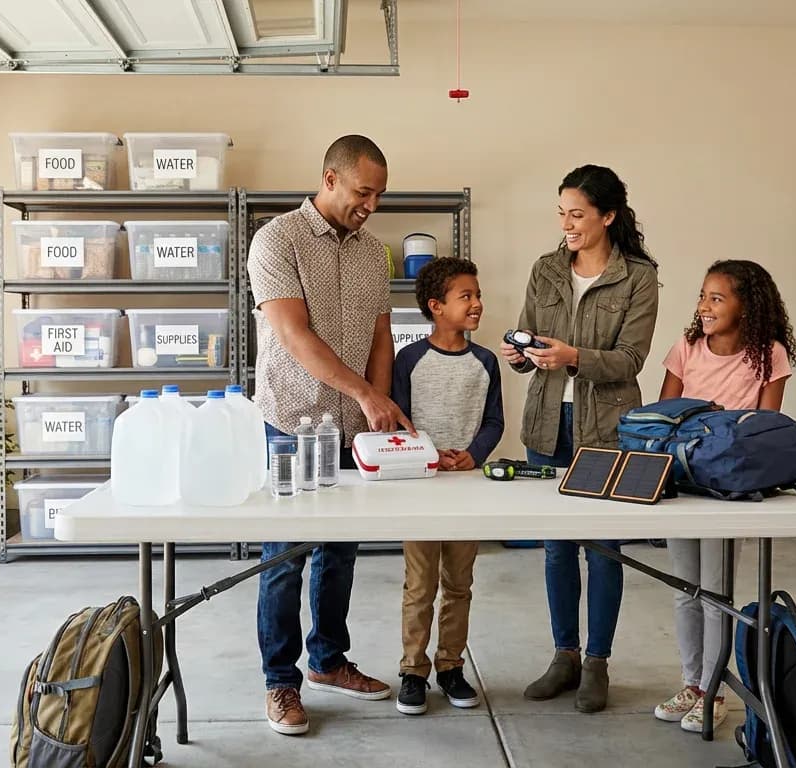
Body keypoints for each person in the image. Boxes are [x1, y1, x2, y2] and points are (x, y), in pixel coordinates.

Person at [247, 134, 415, 736]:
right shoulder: (276, 240)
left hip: (350, 428)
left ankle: (327, 661)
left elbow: (379, 337)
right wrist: (366, 394)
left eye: (379, 195)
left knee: (341, 551)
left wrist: (380, 408)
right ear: (330, 179)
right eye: (363, 191)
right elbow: (294, 336)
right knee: (287, 555)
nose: (371, 204)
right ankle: (280, 681)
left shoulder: (375, 254)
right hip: (291, 419)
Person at [500, 164, 659, 714]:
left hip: (608, 431)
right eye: (561, 213)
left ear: (607, 216)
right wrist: (522, 356)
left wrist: (573, 357)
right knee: (556, 547)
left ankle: (597, 662)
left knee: (603, 547)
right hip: (547, 423)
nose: (566, 225)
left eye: (577, 215)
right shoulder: (545, 270)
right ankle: (564, 656)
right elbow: (528, 350)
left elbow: (632, 360)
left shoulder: (637, 276)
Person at [652, 259, 796, 733]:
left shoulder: (768, 354)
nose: (705, 306)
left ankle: (714, 690)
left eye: (717, 298)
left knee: (715, 594)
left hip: (727, 488)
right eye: (703, 296)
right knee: (683, 592)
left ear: (746, 305)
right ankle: (692, 683)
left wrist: (716, 427)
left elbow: (764, 429)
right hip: (681, 483)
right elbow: (664, 415)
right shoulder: (688, 347)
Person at [389, 257, 504, 716]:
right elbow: (398, 420)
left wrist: (473, 455)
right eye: (466, 296)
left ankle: (451, 667)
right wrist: (428, 456)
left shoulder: (486, 362)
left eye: (477, 295)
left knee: (459, 584)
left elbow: (495, 421)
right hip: (421, 486)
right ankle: (412, 671)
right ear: (436, 307)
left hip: (467, 487)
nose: (477, 303)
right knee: (420, 586)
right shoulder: (410, 360)